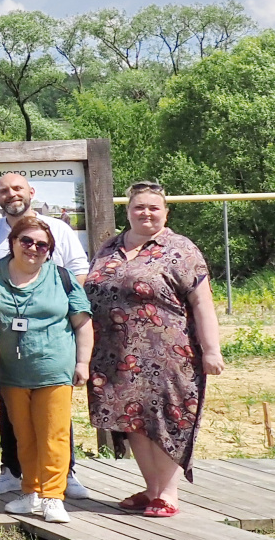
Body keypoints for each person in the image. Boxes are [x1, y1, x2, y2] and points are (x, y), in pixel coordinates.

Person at [85, 181, 225, 518]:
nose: (145, 213)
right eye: (139, 207)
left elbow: (202, 303)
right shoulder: (109, 247)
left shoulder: (180, 249)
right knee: (133, 420)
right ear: (128, 211)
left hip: (169, 355)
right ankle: (152, 489)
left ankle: (168, 493)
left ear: (166, 212)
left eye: (153, 208)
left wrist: (211, 350)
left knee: (166, 420)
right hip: (116, 355)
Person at [0, 173, 93, 500]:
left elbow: (78, 271)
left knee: (54, 420)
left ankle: (64, 477)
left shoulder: (59, 230)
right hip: (8, 352)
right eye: (4, 190)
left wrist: (53, 300)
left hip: (51, 347)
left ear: (31, 192)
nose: (11, 194)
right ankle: (14, 473)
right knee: (15, 419)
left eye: (17, 188)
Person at [0, 214, 93, 526]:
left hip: (54, 369)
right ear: (13, 242)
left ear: (49, 250)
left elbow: (83, 322)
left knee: (53, 435)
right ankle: (30, 491)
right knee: (24, 436)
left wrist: (83, 363)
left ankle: (53, 496)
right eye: (27, 241)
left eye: (42, 245)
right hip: (12, 372)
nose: (33, 248)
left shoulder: (61, 276)